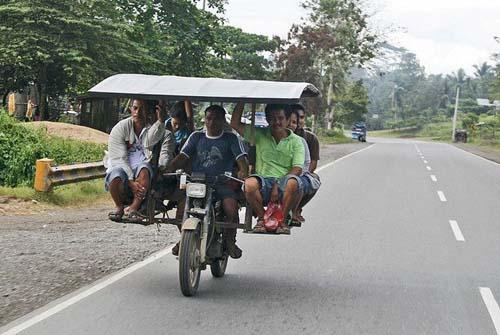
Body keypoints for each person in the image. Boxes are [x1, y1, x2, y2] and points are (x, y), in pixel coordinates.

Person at [167, 105, 248, 258]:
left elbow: (241, 160)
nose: (212, 122)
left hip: (222, 183)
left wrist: (243, 172)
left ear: (223, 120)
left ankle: (230, 240)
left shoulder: (231, 138)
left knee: (231, 208)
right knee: (181, 210)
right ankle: (184, 238)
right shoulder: (196, 137)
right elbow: (182, 157)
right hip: (197, 183)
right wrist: (167, 169)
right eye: (209, 118)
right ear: (204, 119)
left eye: (217, 118)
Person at [230, 103, 305, 234]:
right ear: (267, 119)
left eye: (280, 118)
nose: (276, 122)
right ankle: (261, 218)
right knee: (249, 184)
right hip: (263, 183)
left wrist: (277, 184)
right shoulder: (259, 134)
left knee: (293, 182)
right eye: (272, 118)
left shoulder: (297, 141)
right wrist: (242, 100)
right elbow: (235, 124)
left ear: (287, 120)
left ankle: (282, 220)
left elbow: (297, 168)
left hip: (284, 184)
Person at [105, 99, 165, 222]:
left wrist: (160, 121)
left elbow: (150, 141)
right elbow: (119, 158)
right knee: (116, 174)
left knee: (144, 169)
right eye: (135, 108)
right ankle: (118, 206)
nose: (138, 112)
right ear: (131, 109)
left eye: (142, 109)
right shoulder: (120, 128)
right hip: (121, 169)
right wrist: (131, 181)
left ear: (148, 111)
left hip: (141, 171)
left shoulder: (151, 128)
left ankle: (134, 208)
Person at [289, 104, 321, 221]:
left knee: (312, 180)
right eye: (294, 119)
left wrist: (298, 174)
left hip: (300, 172)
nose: (298, 122)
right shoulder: (277, 134)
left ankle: (296, 208)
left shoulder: (310, 139)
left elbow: (312, 163)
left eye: (301, 118)